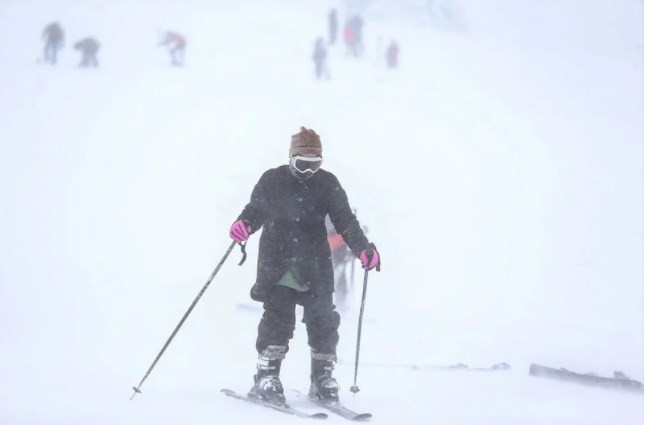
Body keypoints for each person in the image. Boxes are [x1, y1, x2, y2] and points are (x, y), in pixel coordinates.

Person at [229, 127, 380, 405]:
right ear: (291, 158)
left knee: (323, 318)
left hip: (314, 263)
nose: (309, 172)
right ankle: (266, 375)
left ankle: (322, 377)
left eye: (315, 165)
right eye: (303, 165)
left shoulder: (328, 183)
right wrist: (245, 224)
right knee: (278, 316)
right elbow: (256, 209)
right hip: (278, 260)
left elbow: (345, 221)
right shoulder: (272, 180)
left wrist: (363, 248)